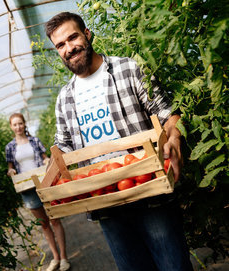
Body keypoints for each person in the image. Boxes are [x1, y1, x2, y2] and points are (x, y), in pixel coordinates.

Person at [44, 12, 193, 271]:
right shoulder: (64, 98)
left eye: (73, 37)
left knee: (174, 266)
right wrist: (50, 177)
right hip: (105, 203)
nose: (69, 48)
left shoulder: (128, 69)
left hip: (148, 190)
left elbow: (168, 114)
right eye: (61, 45)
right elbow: (64, 147)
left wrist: (174, 137)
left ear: (87, 34)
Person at [5, 113, 70, 271]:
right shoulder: (10, 147)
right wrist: (11, 172)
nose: (18, 127)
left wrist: (47, 161)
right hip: (26, 189)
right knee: (44, 224)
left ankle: (63, 258)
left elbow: (44, 158)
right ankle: (55, 257)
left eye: (20, 123)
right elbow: (10, 167)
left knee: (55, 220)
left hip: (43, 183)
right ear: (11, 127)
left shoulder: (34, 141)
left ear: (24, 124)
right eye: (15, 124)